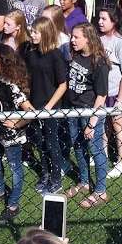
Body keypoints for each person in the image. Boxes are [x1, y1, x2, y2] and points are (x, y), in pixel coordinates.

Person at [0, 44, 34, 224]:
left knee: (15, 169)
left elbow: (30, 112)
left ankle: (13, 205)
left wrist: (16, 124)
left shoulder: (12, 86)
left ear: (4, 64)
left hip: (11, 135)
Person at [65, 22, 110, 208]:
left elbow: (102, 95)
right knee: (78, 147)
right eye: (72, 36)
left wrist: (92, 123)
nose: (72, 40)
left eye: (76, 37)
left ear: (88, 38)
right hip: (74, 110)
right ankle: (84, 182)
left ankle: (101, 190)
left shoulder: (99, 62)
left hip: (90, 113)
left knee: (96, 150)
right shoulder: (76, 55)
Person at [27, 17, 69, 195]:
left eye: (36, 32)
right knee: (39, 142)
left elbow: (62, 85)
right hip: (34, 106)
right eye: (32, 31)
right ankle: (45, 174)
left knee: (52, 143)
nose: (32, 35)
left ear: (45, 33)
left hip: (50, 107)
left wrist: (49, 107)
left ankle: (56, 179)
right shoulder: (30, 52)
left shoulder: (55, 55)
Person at [98, 8, 122, 179]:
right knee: (104, 126)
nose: (100, 22)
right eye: (99, 18)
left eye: (104, 19)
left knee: (118, 127)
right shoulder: (98, 41)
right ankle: (102, 156)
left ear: (114, 21)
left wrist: (120, 98)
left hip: (116, 94)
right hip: (102, 93)